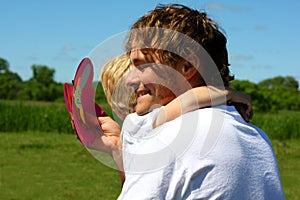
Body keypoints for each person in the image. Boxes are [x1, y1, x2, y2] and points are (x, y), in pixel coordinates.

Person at [96, 4, 284, 199]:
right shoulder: (256, 138)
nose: (130, 80)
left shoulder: (169, 138)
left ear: (188, 66)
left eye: (143, 66)